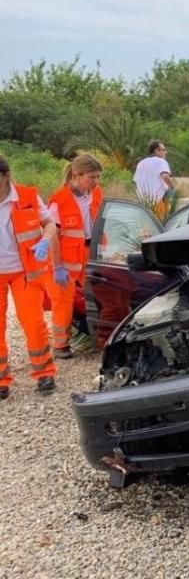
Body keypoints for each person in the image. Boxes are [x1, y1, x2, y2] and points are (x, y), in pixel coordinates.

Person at [0, 156, 58, 398]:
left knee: (33, 323)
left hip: (25, 272)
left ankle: (44, 373)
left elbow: (50, 223)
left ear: (6, 176)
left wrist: (45, 241)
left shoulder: (26, 196)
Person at [46, 154, 103, 359]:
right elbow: (52, 236)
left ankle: (101, 338)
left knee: (98, 295)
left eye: (97, 177)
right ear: (77, 175)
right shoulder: (59, 201)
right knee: (63, 301)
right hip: (66, 261)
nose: (96, 181)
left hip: (91, 253)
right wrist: (57, 266)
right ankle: (61, 345)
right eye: (92, 177)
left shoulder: (95, 194)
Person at [133, 140, 174, 219]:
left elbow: (135, 182)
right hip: (158, 202)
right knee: (161, 226)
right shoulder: (161, 161)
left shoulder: (141, 163)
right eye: (164, 150)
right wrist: (172, 188)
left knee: (145, 228)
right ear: (157, 150)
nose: (166, 153)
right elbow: (165, 176)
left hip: (143, 204)